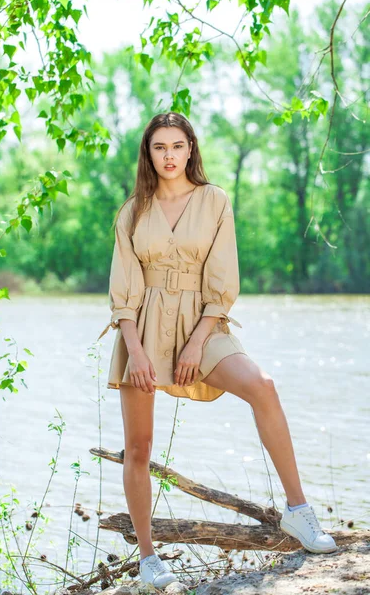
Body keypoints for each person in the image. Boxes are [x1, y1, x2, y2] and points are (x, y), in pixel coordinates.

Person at [98, 112, 337, 588]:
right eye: (159, 147)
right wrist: (136, 352)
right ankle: (149, 559)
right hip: (143, 326)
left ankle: (298, 510)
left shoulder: (215, 201)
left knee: (262, 386)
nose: (169, 156)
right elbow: (123, 290)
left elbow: (223, 278)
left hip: (203, 321)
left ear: (191, 149)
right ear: (148, 153)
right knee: (139, 448)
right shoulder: (131, 211)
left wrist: (198, 339)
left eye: (177, 146)